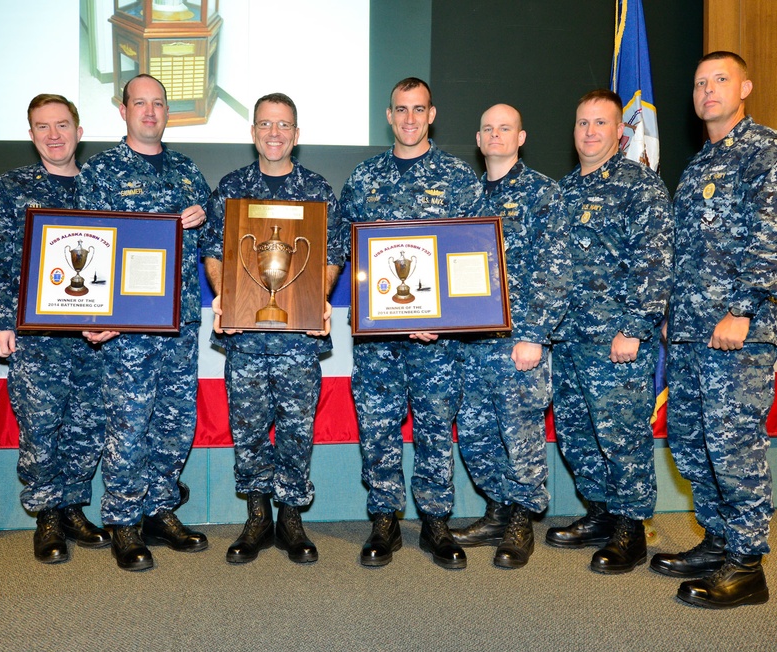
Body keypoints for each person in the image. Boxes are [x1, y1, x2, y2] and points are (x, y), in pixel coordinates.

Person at [652, 52, 777, 609]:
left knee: (734, 447)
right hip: (693, 334)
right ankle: (718, 540)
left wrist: (741, 309)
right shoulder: (699, 166)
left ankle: (747, 565)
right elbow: (686, 253)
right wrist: (672, 311)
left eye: (719, 80)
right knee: (692, 443)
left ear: (744, 86)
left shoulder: (770, 152)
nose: (707, 91)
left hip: (737, 334)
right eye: (699, 83)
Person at [340, 77, 483, 570]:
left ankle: (436, 522)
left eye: (417, 109)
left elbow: (471, 259)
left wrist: (443, 319)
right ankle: (384, 519)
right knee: (377, 428)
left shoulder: (461, 180)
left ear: (431, 114)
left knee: (435, 429)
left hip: (437, 343)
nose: (408, 118)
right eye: (400, 109)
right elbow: (346, 251)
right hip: (378, 341)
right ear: (388, 114)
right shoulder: (362, 179)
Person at [202, 93, 344, 565]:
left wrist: (316, 301)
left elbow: (329, 256)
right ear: (253, 132)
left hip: (297, 341)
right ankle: (257, 516)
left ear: (296, 135)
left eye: (284, 125)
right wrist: (225, 296)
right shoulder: (232, 187)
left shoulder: (317, 189)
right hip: (245, 337)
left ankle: (291, 518)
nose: (274, 132)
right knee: (247, 428)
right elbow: (216, 252)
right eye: (265, 123)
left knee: (297, 430)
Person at [75, 74, 210, 571]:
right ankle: (124, 521)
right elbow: (83, 246)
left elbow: (212, 238)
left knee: (176, 422)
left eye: (158, 104)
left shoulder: (187, 172)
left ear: (167, 111)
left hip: (179, 324)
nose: (149, 112)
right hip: (126, 328)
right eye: (140, 103)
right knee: (128, 425)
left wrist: (205, 215)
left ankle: (160, 509)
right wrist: (94, 315)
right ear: (123, 109)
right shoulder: (102, 172)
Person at [546, 89, 673, 574]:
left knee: (622, 437)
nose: (590, 131)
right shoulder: (564, 191)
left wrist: (636, 329)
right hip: (569, 340)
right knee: (578, 436)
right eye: (582, 123)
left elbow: (656, 262)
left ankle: (631, 529)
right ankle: (600, 513)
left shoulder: (639, 187)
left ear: (620, 131)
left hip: (616, 342)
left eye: (601, 123)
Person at [0, 94, 111, 564]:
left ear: (79, 131)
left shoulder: (102, 186)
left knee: (88, 425)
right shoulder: (11, 187)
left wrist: (116, 320)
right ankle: (47, 517)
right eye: (43, 126)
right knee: (40, 425)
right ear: (31, 133)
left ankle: (74, 507)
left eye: (62, 125)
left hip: (95, 336)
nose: (54, 135)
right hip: (36, 337)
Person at [451, 104, 569, 569]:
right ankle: (498, 510)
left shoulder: (543, 193)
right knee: (478, 436)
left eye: (506, 129)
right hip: (471, 342)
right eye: (488, 130)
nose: (496, 136)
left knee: (521, 434)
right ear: (478, 141)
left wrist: (535, 335)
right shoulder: (466, 197)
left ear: (521, 138)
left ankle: (522, 518)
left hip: (518, 340)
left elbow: (555, 272)